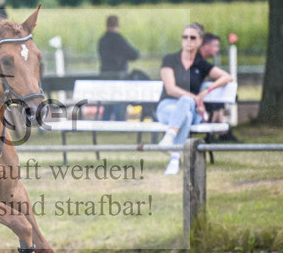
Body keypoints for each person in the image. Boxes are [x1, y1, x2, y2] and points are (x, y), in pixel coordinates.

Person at [156, 23, 233, 175]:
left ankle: (169, 141)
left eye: (192, 38)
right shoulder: (170, 60)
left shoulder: (201, 64)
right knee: (186, 111)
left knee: (187, 106)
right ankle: (175, 158)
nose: (188, 41)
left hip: (191, 108)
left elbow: (227, 77)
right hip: (167, 107)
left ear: (199, 42)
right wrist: (196, 98)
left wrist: (206, 91)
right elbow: (171, 89)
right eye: (185, 37)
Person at [96, 14, 140, 120]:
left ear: (106, 25)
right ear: (118, 25)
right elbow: (134, 54)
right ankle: (119, 121)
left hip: (105, 76)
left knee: (108, 102)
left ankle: (105, 121)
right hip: (119, 77)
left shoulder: (102, 40)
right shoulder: (119, 39)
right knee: (118, 102)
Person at [199, 32, 239, 142]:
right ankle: (219, 133)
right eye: (216, 46)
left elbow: (227, 78)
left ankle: (217, 132)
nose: (217, 49)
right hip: (194, 103)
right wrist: (209, 90)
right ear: (206, 45)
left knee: (217, 101)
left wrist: (208, 89)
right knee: (216, 102)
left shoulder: (202, 63)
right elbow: (228, 77)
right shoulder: (198, 62)